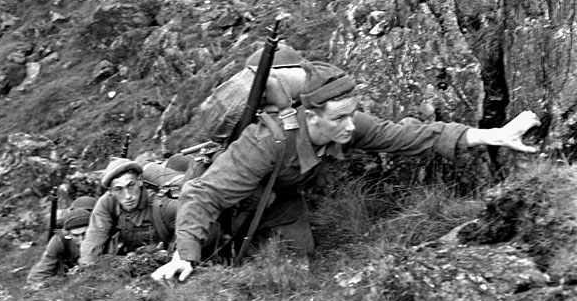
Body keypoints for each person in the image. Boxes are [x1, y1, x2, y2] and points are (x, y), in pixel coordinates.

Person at [151, 60, 541, 284]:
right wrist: (186, 253)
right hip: (231, 201)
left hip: (282, 202)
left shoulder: (347, 123)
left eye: (353, 114)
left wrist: (495, 135)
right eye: (340, 118)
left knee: (295, 271)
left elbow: (411, 136)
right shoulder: (264, 141)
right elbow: (204, 194)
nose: (352, 127)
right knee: (204, 257)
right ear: (310, 114)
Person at [80, 158, 180, 265]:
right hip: (132, 264)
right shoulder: (107, 203)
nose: (127, 196)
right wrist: (87, 270)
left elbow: (192, 224)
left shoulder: (162, 205)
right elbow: (94, 237)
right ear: (111, 191)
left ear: (140, 181)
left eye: (131, 186)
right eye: (119, 189)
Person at [27, 206, 92, 286]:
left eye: (84, 234)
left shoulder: (101, 236)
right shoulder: (59, 240)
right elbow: (40, 273)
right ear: (68, 234)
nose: (81, 240)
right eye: (76, 235)